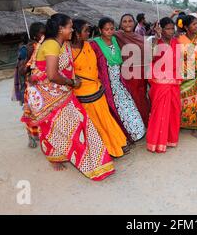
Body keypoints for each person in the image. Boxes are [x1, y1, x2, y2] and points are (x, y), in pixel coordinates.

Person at [21, 13, 114, 180]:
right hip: (50, 95)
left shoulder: (60, 43)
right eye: (69, 26)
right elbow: (52, 75)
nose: (72, 29)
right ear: (60, 29)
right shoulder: (51, 45)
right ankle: (90, 164)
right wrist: (72, 82)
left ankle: (80, 160)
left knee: (65, 126)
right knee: (71, 126)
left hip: (59, 93)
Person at [70, 19, 128, 158]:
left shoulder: (89, 45)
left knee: (106, 118)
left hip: (97, 88)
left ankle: (118, 144)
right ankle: (107, 150)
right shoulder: (68, 51)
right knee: (95, 123)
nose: (89, 33)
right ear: (77, 34)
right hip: (84, 93)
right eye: (86, 31)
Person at [91, 17, 146, 142]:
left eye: (111, 29)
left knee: (128, 107)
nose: (109, 32)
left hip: (119, 82)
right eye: (106, 29)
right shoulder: (95, 44)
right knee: (115, 110)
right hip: (106, 83)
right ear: (100, 30)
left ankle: (136, 134)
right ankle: (122, 137)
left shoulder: (115, 40)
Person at [146, 17, 182, 153]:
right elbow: (151, 58)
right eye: (167, 28)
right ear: (161, 29)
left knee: (174, 110)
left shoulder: (176, 42)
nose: (171, 31)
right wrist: (156, 38)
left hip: (173, 81)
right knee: (159, 111)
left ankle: (169, 139)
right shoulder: (156, 42)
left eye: (172, 28)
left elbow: (179, 62)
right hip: (160, 82)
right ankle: (156, 142)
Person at [13, 22, 46, 148]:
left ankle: (44, 135)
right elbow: (21, 70)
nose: (44, 35)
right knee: (31, 112)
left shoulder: (46, 46)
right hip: (30, 86)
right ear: (34, 35)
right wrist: (31, 56)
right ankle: (32, 137)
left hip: (43, 84)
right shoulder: (26, 49)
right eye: (41, 33)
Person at [115, 14, 151, 126]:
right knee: (131, 99)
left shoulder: (140, 37)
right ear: (120, 24)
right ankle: (134, 125)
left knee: (142, 98)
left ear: (134, 22)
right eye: (124, 21)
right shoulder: (117, 35)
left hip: (142, 72)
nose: (127, 24)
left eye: (130, 21)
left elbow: (149, 54)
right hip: (127, 73)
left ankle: (144, 122)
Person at [177, 15, 197, 132]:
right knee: (184, 99)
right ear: (186, 27)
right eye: (194, 24)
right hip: (184, 74)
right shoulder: (179, 40)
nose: (196, 26)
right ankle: (183, 123)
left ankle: (196, 124)